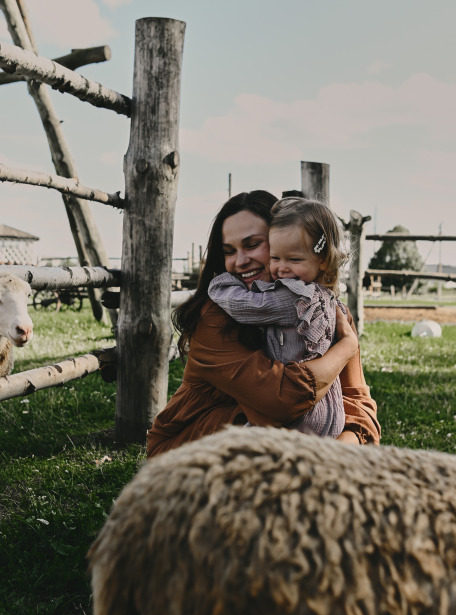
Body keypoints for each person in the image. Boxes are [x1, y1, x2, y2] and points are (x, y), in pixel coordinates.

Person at [146, 190, 380, 457]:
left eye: (253, 244)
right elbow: (281, 401)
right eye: (229, 251)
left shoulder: (324, 309)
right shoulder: (214, 316)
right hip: (193, 450)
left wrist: (333, 454)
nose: (240, 261)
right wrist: (346, 348)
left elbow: (360, 407)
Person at [206, 196, 347, 439]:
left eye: (294, 259)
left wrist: (220, 285)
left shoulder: (297, 297)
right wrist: (348, 347)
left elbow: (251, 305)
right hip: (326, 410)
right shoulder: (327, 298)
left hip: (305, 416)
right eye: (276, 258)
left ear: (322, 260)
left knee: (246, 442)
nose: (282, 269)